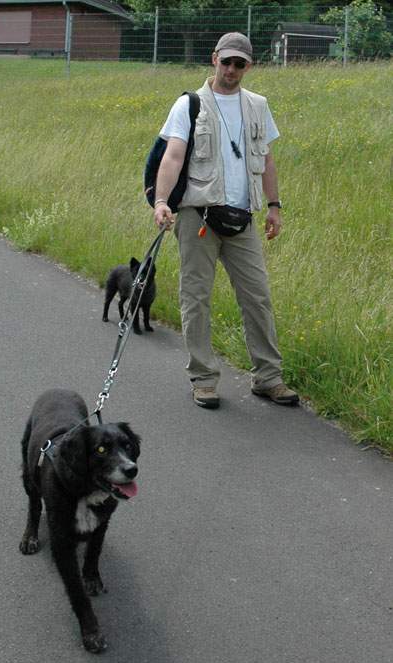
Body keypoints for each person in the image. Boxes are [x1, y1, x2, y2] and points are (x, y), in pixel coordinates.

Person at [153, 31, 299, 409]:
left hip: (243, 218)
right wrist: (162, 201)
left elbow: (265, 158)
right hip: (197, 217)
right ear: (214, 58)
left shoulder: (258, 105)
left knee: (257, 297)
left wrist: (274, 205)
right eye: (226, 61)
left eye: (240, 64)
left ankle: (268, 378)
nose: (232, 69)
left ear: (249, 66)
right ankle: (203, 379)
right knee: (196, 298)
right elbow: (172, 156)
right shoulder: (190, 104)